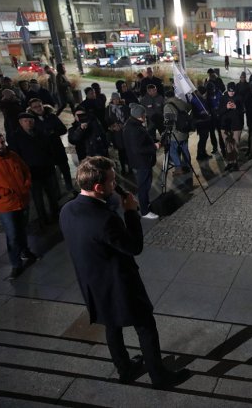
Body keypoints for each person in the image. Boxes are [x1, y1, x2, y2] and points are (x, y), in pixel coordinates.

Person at [59, 156, 191, 388]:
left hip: (92, 283)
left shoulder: (67, 210)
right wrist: (131, 212)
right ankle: (159, 376)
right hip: (119, 284)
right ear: (98, 187)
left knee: (112, 325)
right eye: (112, 182)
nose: (115, 185)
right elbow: (134, 247)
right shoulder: (105, 219)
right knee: (146, 327)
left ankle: (125, 369)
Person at [0, 132, 37, 279]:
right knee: (12, 235)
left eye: (2, 142)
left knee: (22, 229)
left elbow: (25, 170)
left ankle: (25, 251)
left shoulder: (12, 155)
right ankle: (16, 264)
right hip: (6, 204)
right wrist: (1, 191)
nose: (1, 145)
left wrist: (26, 184)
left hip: (22, 200)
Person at [7, 113, 59, 225]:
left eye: (30, 120)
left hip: (46, 169)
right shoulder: (15, 137)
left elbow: (50, 149)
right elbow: (15, 156)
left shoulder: (41, 133)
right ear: (20, 123)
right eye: (25, 121)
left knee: (52, 194)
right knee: (37, 197)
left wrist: (51, 162)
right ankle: (43, 219)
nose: (29, 123)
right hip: (31, 173)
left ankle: (56, 214)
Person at [27, 98, 75, 194]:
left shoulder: (52, 116)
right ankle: (56, 191)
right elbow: (32, 136)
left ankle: (69, 186)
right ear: (31, 109)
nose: (38, 108)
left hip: (57, 147)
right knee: (52, 173)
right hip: (44, 150)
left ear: (42, 105)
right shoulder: (31, 120)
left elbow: (63, 130)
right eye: (35, 107)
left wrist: (53, 132)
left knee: (65, 168)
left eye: (39, 105)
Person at [123, 104, 160, 219]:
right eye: (144, 115)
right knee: (143, 186)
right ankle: (145, 211)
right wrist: (154, 146)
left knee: (145, 185)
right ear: (140, 116)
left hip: (140, 162)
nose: (145, 117)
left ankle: (145, 204)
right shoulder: (134, 129)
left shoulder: (132, 124)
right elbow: (138, 149)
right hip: (141, 162)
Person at [163, 90, 193, 175]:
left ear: (166, 97)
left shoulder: (168, 106)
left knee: (173, 150)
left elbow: (169, 122)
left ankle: (178, 168)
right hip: (185, 131)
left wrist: (170, 132)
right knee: (185, 149)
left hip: (175, 133)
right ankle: (187, 165)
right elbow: (190, 109)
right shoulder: (182, 102)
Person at [218, 82, 245, 171]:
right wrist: (226, 107)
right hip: (225, 126)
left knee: (235, 145)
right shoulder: (223, 98)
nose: (231, 93)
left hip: (236, 126)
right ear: (227, 90)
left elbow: (243, 111)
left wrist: (236, 107)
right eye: (230, 91)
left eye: (233, 91)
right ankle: (230, 162)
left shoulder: (240, 97)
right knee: (228, 145)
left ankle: (235, 162)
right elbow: (219, 112)